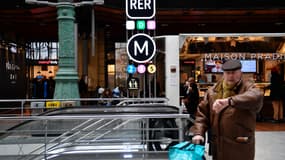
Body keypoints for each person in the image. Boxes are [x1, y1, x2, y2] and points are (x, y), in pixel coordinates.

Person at [190, 60, 264, 160]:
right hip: (218, 145)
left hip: (240, 145)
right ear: (223, 73)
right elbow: (202, 115)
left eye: (234, 72)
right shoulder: (212, 91)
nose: (231, 76)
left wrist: (230, 101)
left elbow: (256, 96)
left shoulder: (247, 87)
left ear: (240, 72)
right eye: (228, 73)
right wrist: (199, 133)